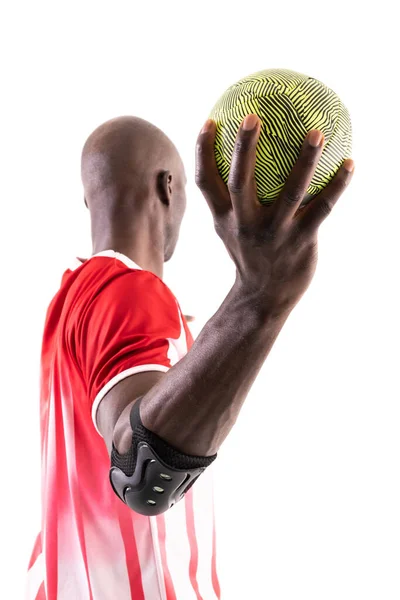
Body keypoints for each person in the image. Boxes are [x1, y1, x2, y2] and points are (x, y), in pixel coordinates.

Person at [25, 114, 354, 600]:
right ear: (169, 187)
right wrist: (259, 300)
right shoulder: (127, 290)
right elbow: (141, 469)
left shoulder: (72, 299)